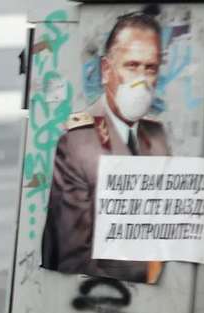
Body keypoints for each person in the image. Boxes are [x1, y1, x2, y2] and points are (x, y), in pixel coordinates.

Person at [41, 11, 169, 284]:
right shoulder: (80, 141)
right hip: (112, 297)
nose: (141, 80)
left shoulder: (157, 136)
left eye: (150, 69)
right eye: (132, 66)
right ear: (106, 70)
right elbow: (73, 254)